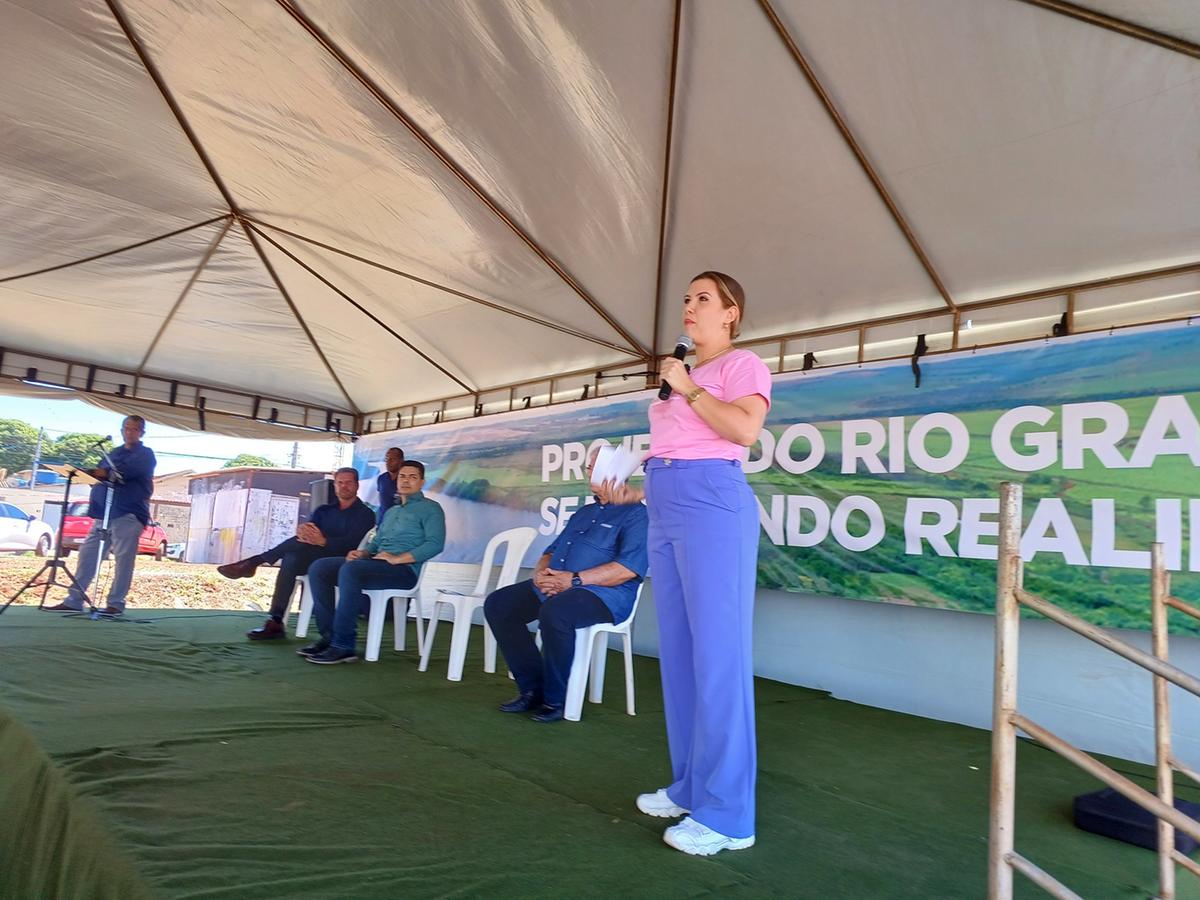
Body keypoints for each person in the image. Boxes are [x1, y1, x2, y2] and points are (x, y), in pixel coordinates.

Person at [607, 271, 771, 856]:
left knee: (720, 658)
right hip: (666, 503)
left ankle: (729, 817)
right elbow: (675, 448)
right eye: (687, 298)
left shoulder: (739, 365)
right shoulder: (683, 378)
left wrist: (690, 388)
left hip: (713, 506)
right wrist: (633, 491)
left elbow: (745, 430)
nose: (690, 307)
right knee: (679, 655)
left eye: (704, 299)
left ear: (731, 313)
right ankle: (691, 786)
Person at [484, 450, 648, 723]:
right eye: (588, 467)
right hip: (557, 584)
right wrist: (540, 575)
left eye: (597, 467)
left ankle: (555, 699)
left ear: (619, 471)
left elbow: (626, 570)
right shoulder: (584, 512)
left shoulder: (637, 515)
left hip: (602, 595)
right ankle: (532, 689)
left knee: (557, 613)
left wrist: (573, 580)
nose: (590, 472)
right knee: (499, 605)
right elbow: (551, 551)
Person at [301, 460, 445, 665]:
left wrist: (397, 559)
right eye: (402, 476)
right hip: (376, 565)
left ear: (422, 482)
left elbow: (435, 544)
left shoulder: (431, 509)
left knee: (351, 571)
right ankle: (329, 637)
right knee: (320, 567)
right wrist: (362, 553)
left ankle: (344, 645)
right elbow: (376, 543)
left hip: (404, 571)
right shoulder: (392, 511)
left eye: (413, 477)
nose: (406, 481)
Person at [219, 467, 376, 640]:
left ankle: (255, 562)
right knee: (292, 557)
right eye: (340, 482)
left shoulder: (365, 513)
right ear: (335, 485)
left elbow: (353, 545)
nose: (344, 486)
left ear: (357, 485)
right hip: (313, 556)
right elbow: (309, 533)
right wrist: (303, 531)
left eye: (348, 483)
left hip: (341, 561)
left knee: (293, 556)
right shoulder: (324, 510)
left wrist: (323, 541)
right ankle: (276, 620)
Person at [44, 415, 157, 616]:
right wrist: (90, 474)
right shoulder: (113, 453)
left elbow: (122, 473)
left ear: (142, 433)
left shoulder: (145, 454)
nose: (128, 432)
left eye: (134, 429)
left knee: (123, 560)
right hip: (104, 513)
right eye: (126, 428)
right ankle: (74, 600)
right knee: (87, 554)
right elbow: (99, 474)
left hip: (128, 513)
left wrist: (101, 473)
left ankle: (115, 604)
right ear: (121, 430)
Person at [373, 447, 405, 526]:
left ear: (401, 461)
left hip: (399, 525)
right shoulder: (381, 478)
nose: (388, 462)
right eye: (387, 459)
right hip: (381, 523)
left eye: (393, 459)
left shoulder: (406, 481)